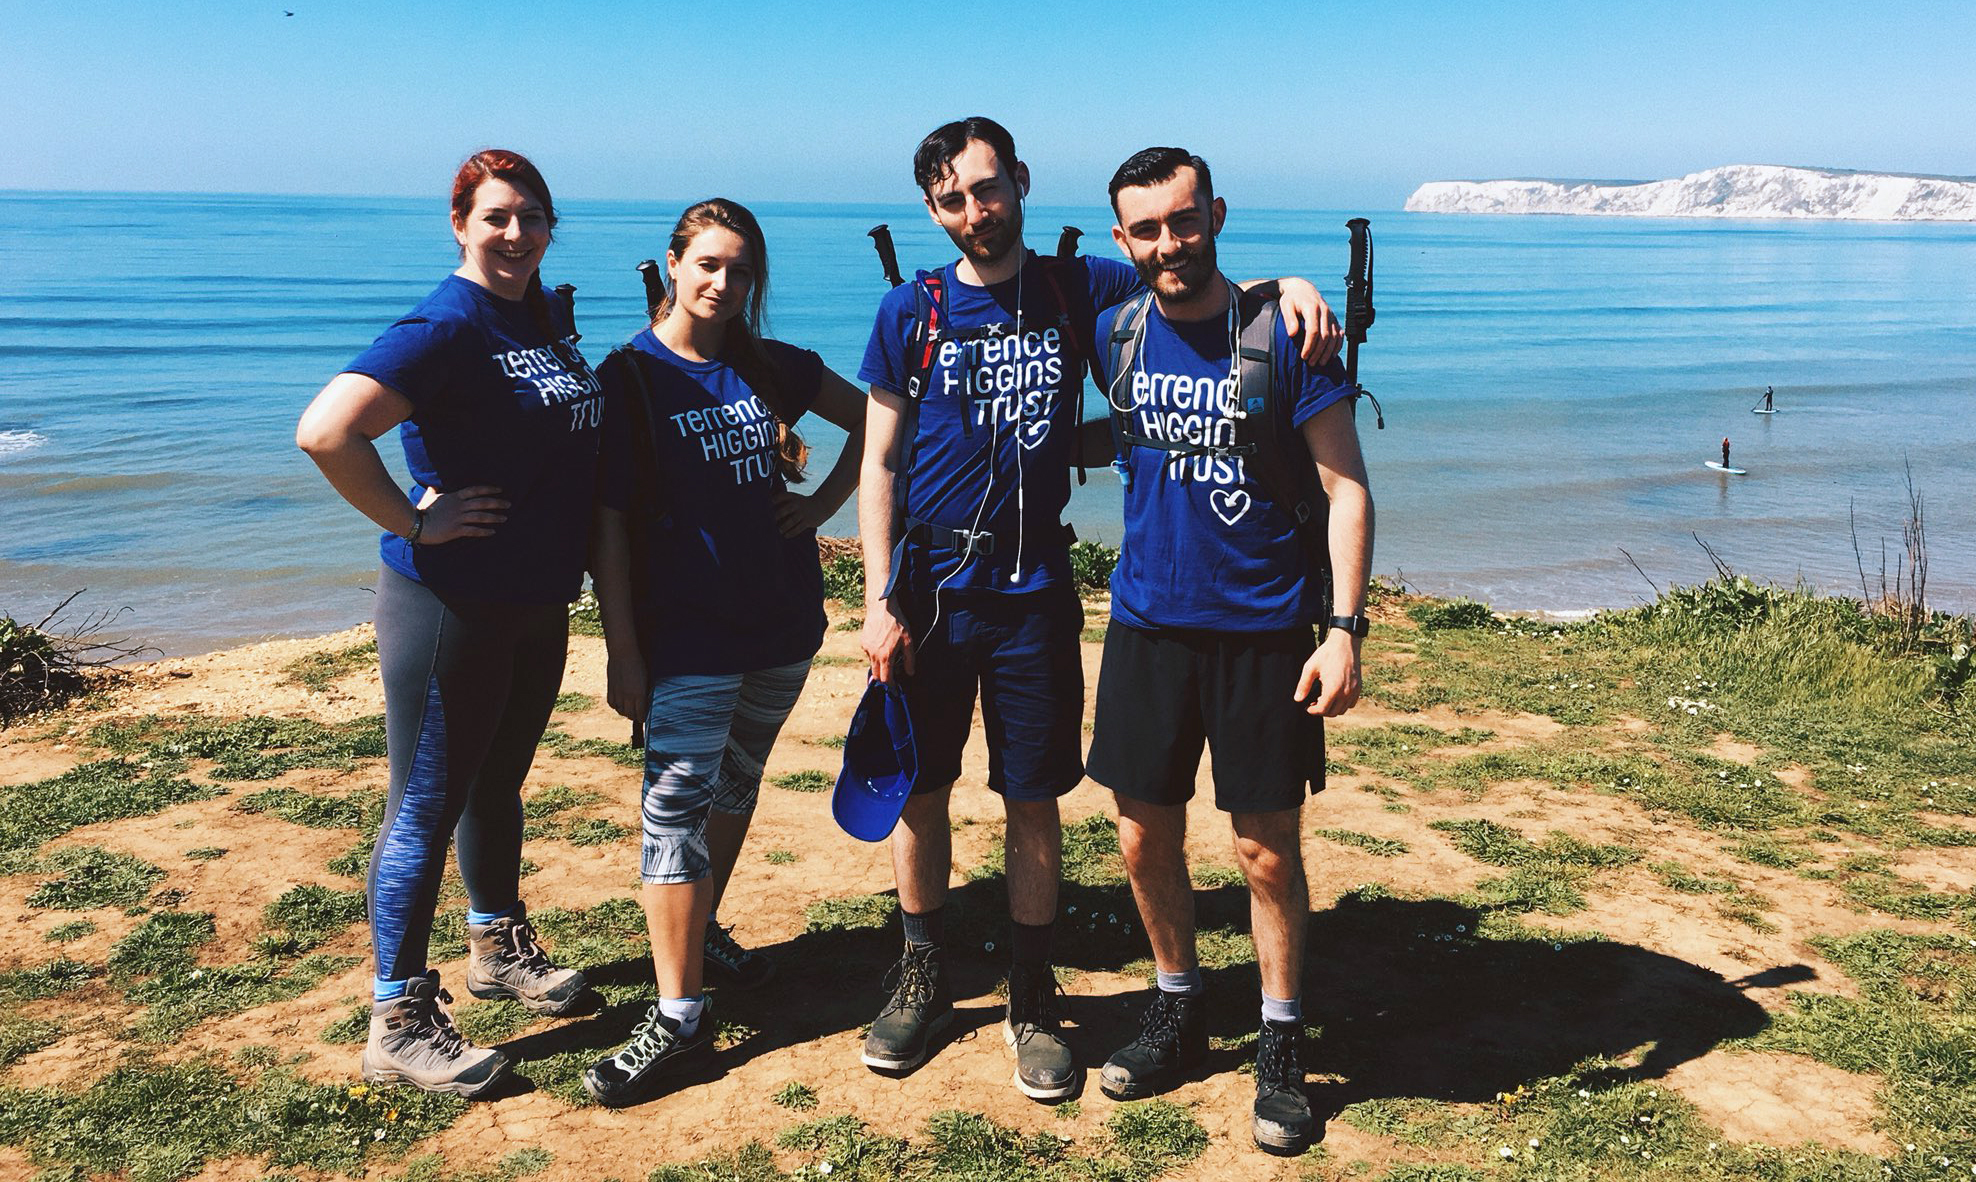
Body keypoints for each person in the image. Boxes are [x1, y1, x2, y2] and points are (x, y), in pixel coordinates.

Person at [855, 116, 1339, 1102]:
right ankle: (921, 973)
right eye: (951, 199)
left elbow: (1195, 283)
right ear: (931, 210)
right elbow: (877, 461)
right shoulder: (910, 311)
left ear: (1021, 184)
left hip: (1034, 592)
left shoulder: (1079, 288)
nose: (973, 213)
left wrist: (1288, 286)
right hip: (928, 594)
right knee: (920, 789)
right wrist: (874, 599)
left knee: (1033, 795)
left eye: (987, 190)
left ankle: (1029, 995)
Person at [1082, 147, 1373, 1156]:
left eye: (1183, 219)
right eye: (1146, 229)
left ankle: (1281, 1037)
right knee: (1136, 835)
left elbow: (1345, 488)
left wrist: (1342, 631)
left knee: (1261, 850)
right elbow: (997, 278)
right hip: (1146, 624)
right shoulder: (1110, 327)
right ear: (1122, 241)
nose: (1168, 243)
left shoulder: (1287, 335)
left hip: (1262, 633)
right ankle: (1177, 1005)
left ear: (1213, 213)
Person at [296, 149, 600, 1097]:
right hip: (450, 603)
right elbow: (326, 429)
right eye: (498, 217)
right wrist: (415, 520)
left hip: (532, 596)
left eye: (534, 219)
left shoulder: (537, 316)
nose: (517, 235)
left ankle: (495, 945)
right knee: (423, 803)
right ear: (461, 223)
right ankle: (397, 1014)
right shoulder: (447, 322)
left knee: (496, 782)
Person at [580, 199, 867, 1107]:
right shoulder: (627, 377)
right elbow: (610, 524)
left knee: (734, 791)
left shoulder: (772, 366)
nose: (723, 284)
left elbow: (878, 421)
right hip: (687, 635)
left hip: (781, 626)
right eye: (707, 264)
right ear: (673, 263)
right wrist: (623, 647)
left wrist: (822, 508)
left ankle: (699, 939)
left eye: (741, 271)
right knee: (673, 811)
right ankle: (676, 1016)